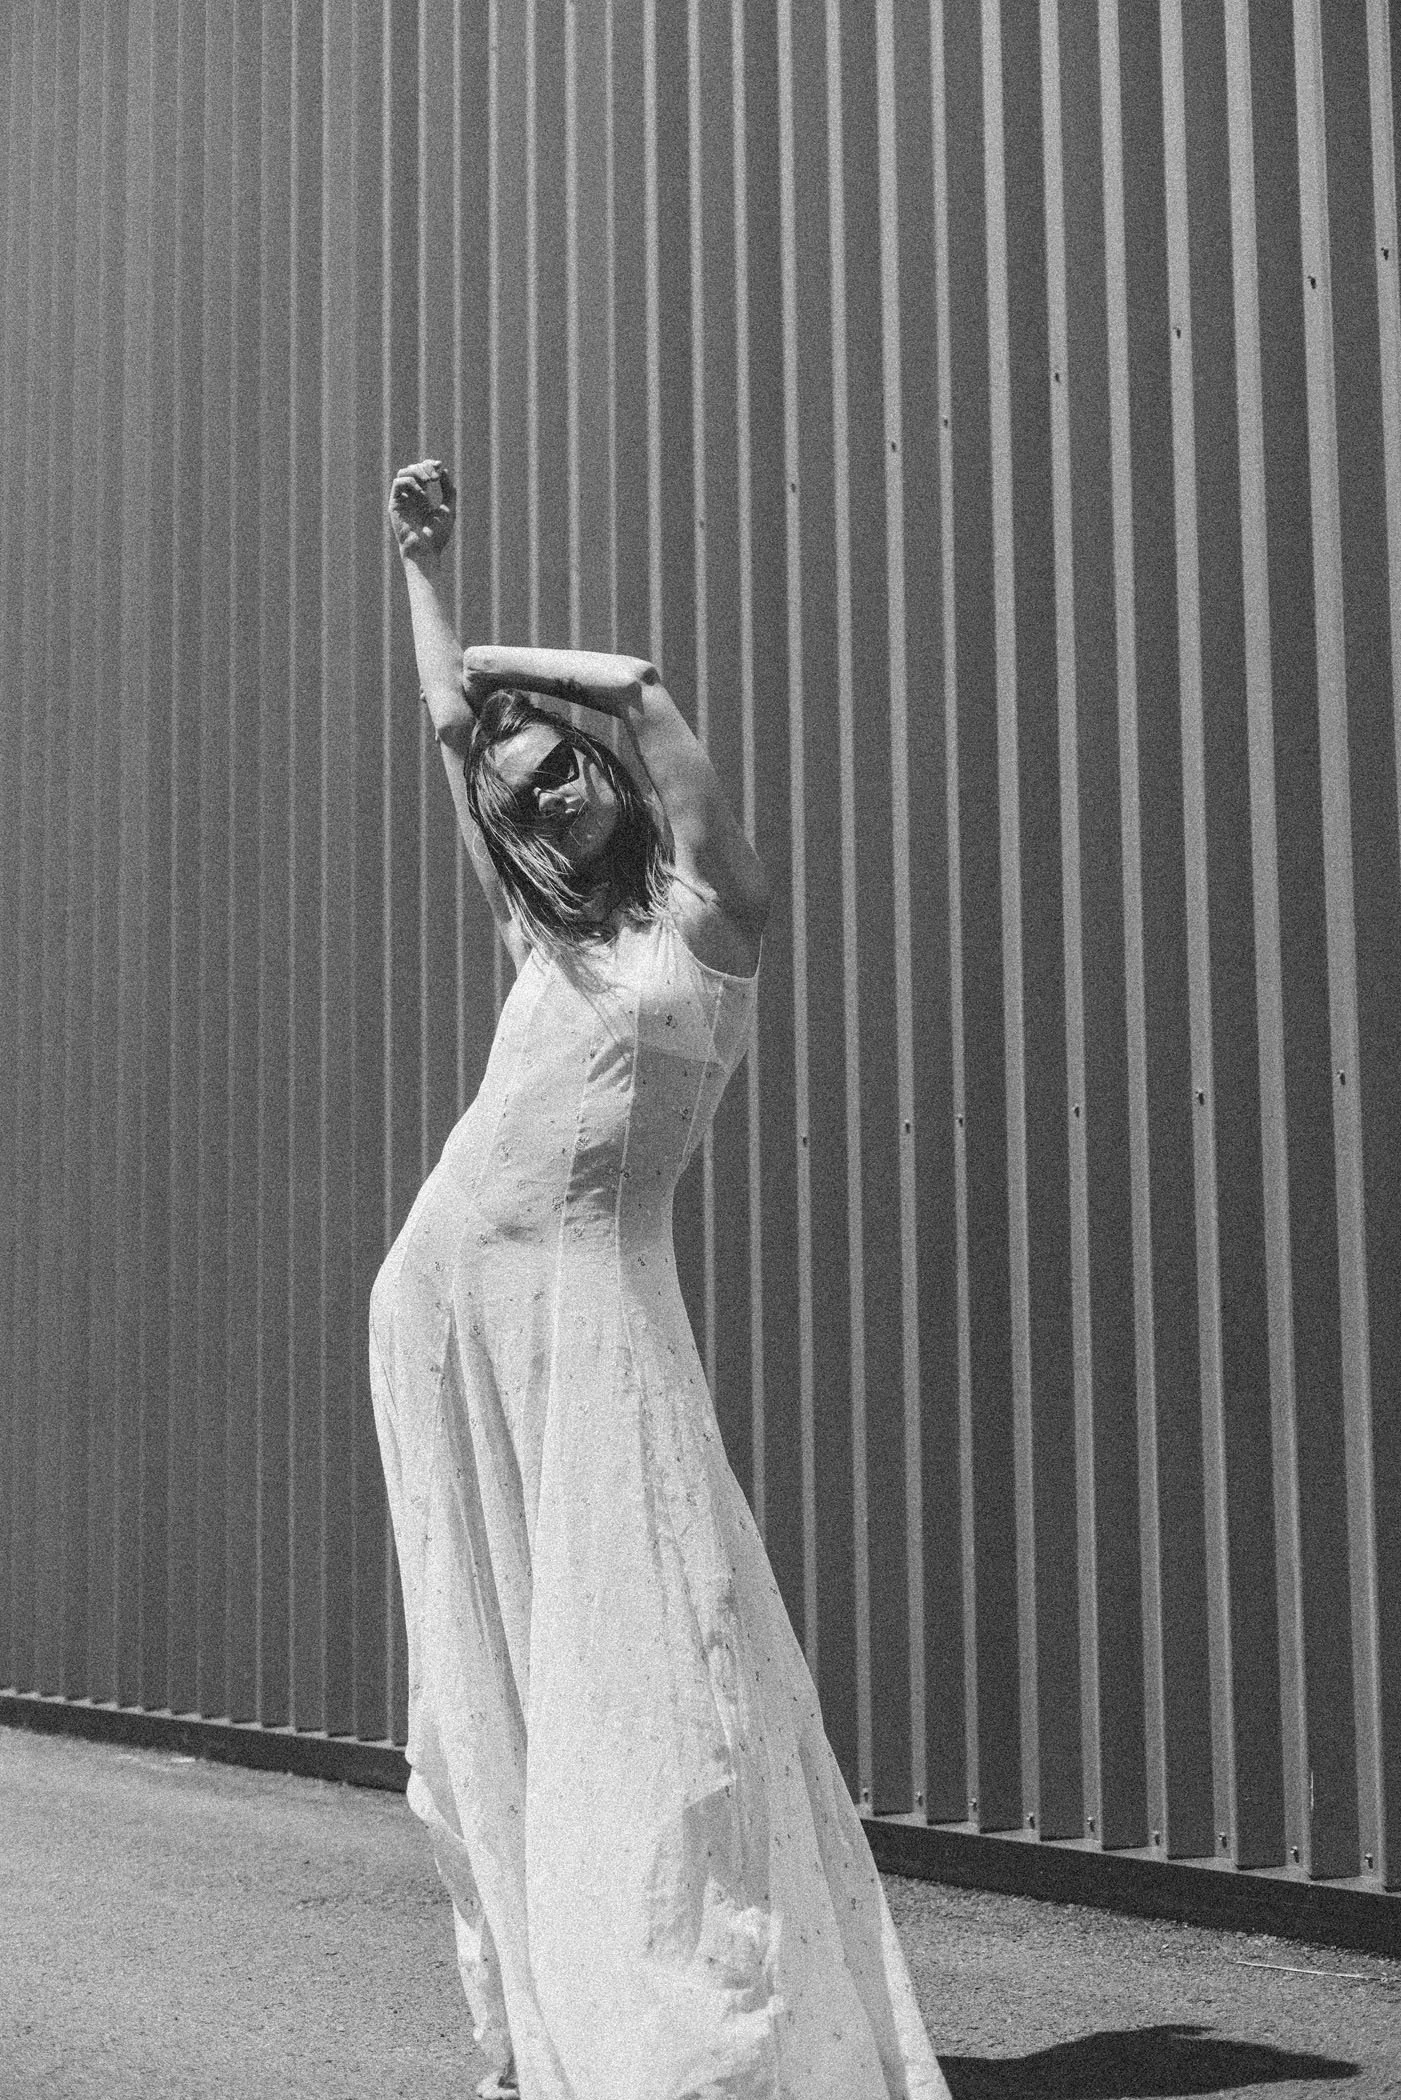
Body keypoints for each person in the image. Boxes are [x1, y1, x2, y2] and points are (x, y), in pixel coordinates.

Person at [369, 458, 950, 2100]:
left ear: (609, 769)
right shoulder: (540, 937)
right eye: (524, 794)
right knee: (489, 1662)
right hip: (446, 1315)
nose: (548, 800)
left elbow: (636, 687)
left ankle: (694, 2044)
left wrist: (530, 676)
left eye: (563, 773)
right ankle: (542, 2016)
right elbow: (447, 732)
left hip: (597, 1320)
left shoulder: (709, 923)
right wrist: (424, 571)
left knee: (653, 1664)